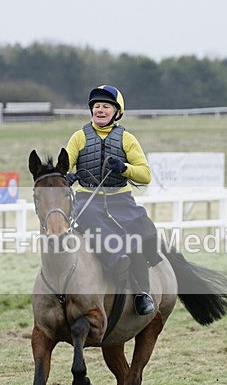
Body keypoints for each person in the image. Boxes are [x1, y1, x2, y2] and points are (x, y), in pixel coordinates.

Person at [64, 85, 161, 316]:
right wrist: (65, 176)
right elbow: (64, 166)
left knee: (140, 233)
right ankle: (115, 262)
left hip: (121, 201)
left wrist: (124, 168)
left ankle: (142, 294)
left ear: (117, 112)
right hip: (88, 201)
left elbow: (145, 176)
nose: (99, 110)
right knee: (90, 224)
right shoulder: (79, 137)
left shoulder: (127, 139)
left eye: (105, 106)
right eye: (96, 106)